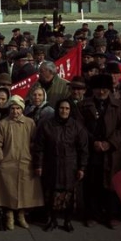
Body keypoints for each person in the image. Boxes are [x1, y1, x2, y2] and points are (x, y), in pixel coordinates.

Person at [77, 74, 121, 229]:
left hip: (112, 152)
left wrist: (109, 143)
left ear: (110, 89)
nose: (101, 92)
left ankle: (110, 215)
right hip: (91, 151)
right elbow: (80, 128)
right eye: (98, 89)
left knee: (111, 185)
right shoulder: (83, 106)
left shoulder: (120, 106)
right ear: (93, 90)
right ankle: (91, 214)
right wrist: (93, 142)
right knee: (91, 183)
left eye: (105, 89)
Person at [34, 99, 89, 232]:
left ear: (70, 110)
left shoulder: (77, 126)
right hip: (51, 164)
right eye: (61, 108)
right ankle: (52, 220)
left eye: (67, 108)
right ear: (57, 109)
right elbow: (39, 147)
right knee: (51, 194)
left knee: (69, 195)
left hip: (70, 166)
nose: (64, 111)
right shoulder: (47, 125)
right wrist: (38, 165)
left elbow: (83, 149)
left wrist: (82, 167)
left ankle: (67, 221)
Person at [0, 96, 44, 230]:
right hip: (8, 162)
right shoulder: (3, 123)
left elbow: (35, 142)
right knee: (7, 190)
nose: (15, 111)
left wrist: (32, 156)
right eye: (13, 108)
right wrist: (0, 158)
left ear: (22, 109)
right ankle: (9, 215)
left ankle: (21, 215)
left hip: (26, 162)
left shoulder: (30, 123)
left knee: (24, 191)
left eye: (18, 108)